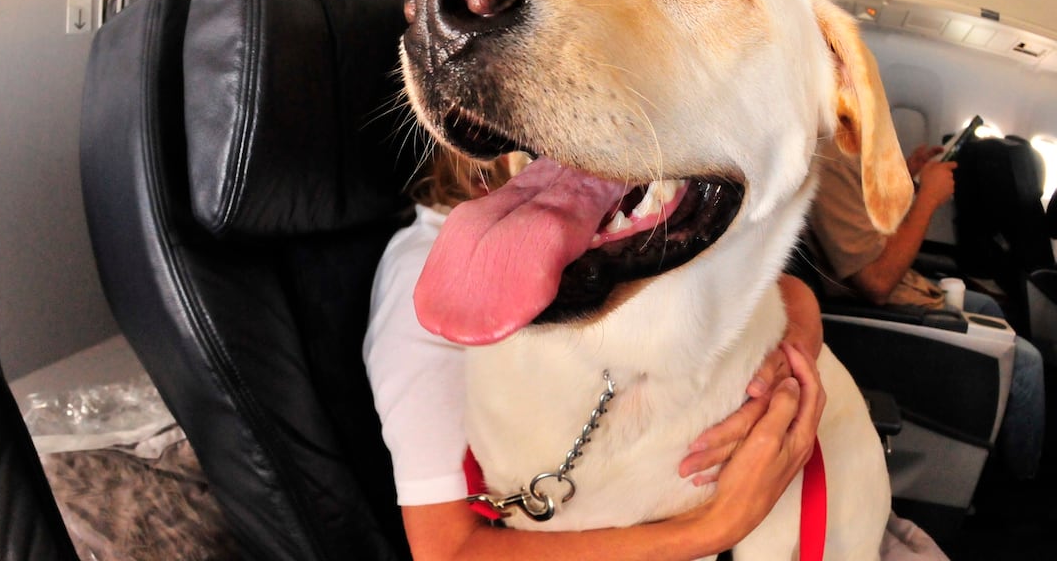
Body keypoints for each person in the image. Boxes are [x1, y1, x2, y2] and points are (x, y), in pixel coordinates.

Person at [364, 148, 827, 560]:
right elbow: (448, 549)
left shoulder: (570, 220)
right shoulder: (433, 283)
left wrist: (794, 349)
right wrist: (715, 526)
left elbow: (758, 285)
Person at [807, 138, 1045, 480]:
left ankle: (988, 454)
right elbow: (877, 282)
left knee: (987, 306)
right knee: (1025, 364)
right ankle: (1020, 492)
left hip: (910, 290)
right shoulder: (829, 158)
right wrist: (928, 200)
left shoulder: (846, 152)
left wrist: (908, 173)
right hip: (881, 313)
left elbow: (870, 225)